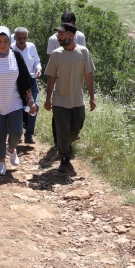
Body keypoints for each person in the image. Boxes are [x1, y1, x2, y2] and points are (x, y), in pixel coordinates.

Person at [0, 27, 37, 175]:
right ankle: (1, 162)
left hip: (14, 100)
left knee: (17, 131)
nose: (3, 44)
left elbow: (25, 79)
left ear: (9, 41)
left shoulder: (16, 55)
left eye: (5, 41)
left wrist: (30, 100)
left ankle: (11, 149)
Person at [44, 23, 96, 172]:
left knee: (75, 131)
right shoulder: (56, 54)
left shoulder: (83, 52)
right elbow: (51, 79)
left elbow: (89, 76)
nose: (58, 37)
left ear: (71, 35)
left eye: (61, 34)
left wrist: (92, 97)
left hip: (78, 100)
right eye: (58, 34)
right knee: (62, 129)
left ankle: (66, 145)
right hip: (59, 99)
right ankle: (64, 158)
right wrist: (48, 99)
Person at [13, 27, 42, 144]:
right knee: (19, 108)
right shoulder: (10, 49)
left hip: (32, 80)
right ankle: (18, 133)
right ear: (15, 38)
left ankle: (29, 134)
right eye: (19, 38)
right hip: (17, 82)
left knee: (35, 106)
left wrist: (38, 69)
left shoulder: (31, 46)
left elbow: (37, 61)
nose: (22, 40)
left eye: (24, 38)